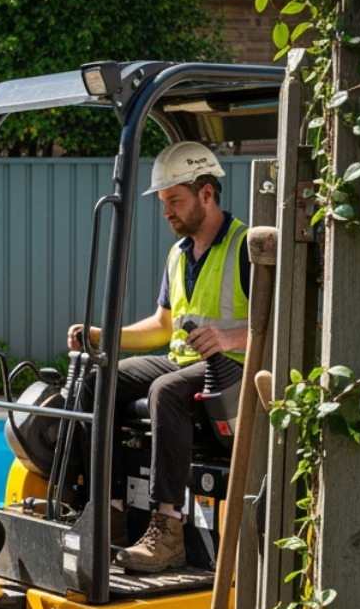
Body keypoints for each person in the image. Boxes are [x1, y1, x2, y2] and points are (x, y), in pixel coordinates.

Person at [67, 141, 250, 573]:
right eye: (163, 202)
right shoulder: (179, 253)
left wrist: (228, 339)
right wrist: (101, 337)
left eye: (174, 201)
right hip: (185, 363)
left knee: (164, 390)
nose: (166, 211)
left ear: (206, 194)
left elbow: (283, 323)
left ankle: (167, 529)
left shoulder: (246, 246)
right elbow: (163, 327)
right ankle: (108, 510)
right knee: (96, 379)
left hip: (234, 371)